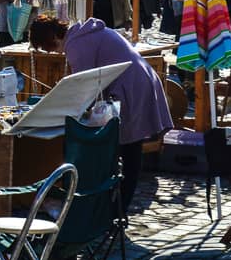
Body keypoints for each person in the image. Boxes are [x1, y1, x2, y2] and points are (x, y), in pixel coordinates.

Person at [27, 13, 171, 210]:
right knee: (128, 149)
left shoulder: (76, 45)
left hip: (129, 87)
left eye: (45, 47)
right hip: (139, 80)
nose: (51, 52)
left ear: (52, 38)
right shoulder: (83, 35)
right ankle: (116, 207)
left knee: (126, 150)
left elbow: (84, 89)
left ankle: (115, 209)